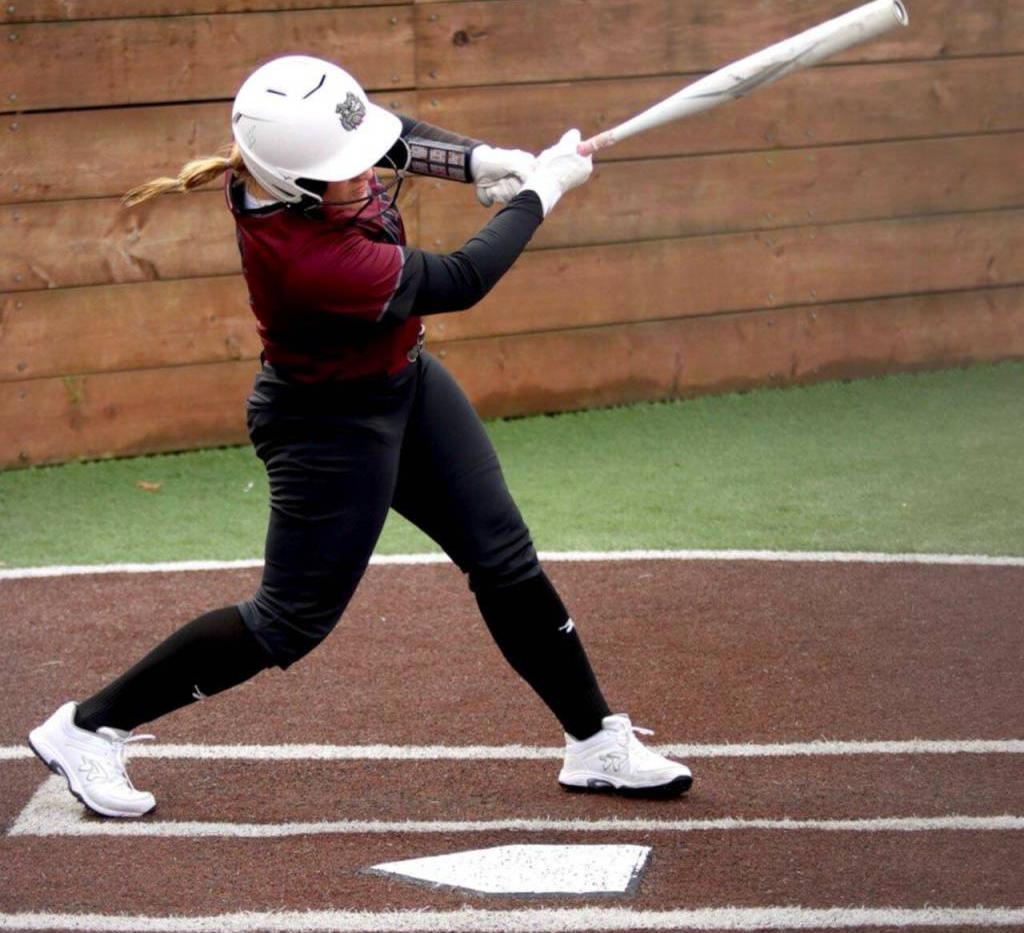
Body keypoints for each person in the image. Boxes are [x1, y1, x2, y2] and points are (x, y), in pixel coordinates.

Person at [28, 55, 692, 818]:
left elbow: (390, 137)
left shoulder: (298, 159)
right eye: (346, 171)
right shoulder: (312, 259)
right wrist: (542, 190)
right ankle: (88, 725)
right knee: (287, 622)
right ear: (296, 185)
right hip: (326, 425)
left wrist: (482, 159)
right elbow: (460, 280)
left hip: (403, 383)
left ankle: (593, 740)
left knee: (503, 557)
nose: (366, 173)